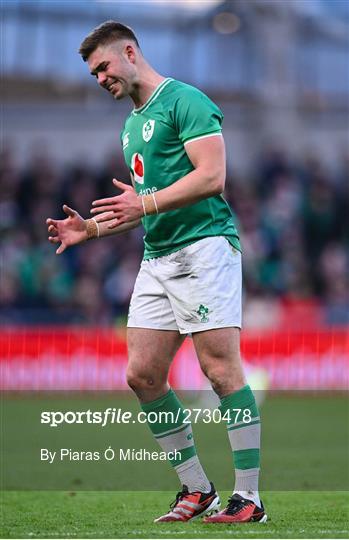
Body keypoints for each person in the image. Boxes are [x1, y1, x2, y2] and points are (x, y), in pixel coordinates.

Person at [46, 20, 267, 524]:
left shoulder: (185, 100)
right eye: (94, 74)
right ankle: (196, 489)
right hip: (158, 255)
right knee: (142, 374)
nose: (100, 79)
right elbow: (142, 207)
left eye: (103, 66)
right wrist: (92, 231)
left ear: (129, 52)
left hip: (204, 248)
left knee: (219, 370)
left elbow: (212, 177)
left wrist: (144, 206)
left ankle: (250, 499)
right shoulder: (131, 125)